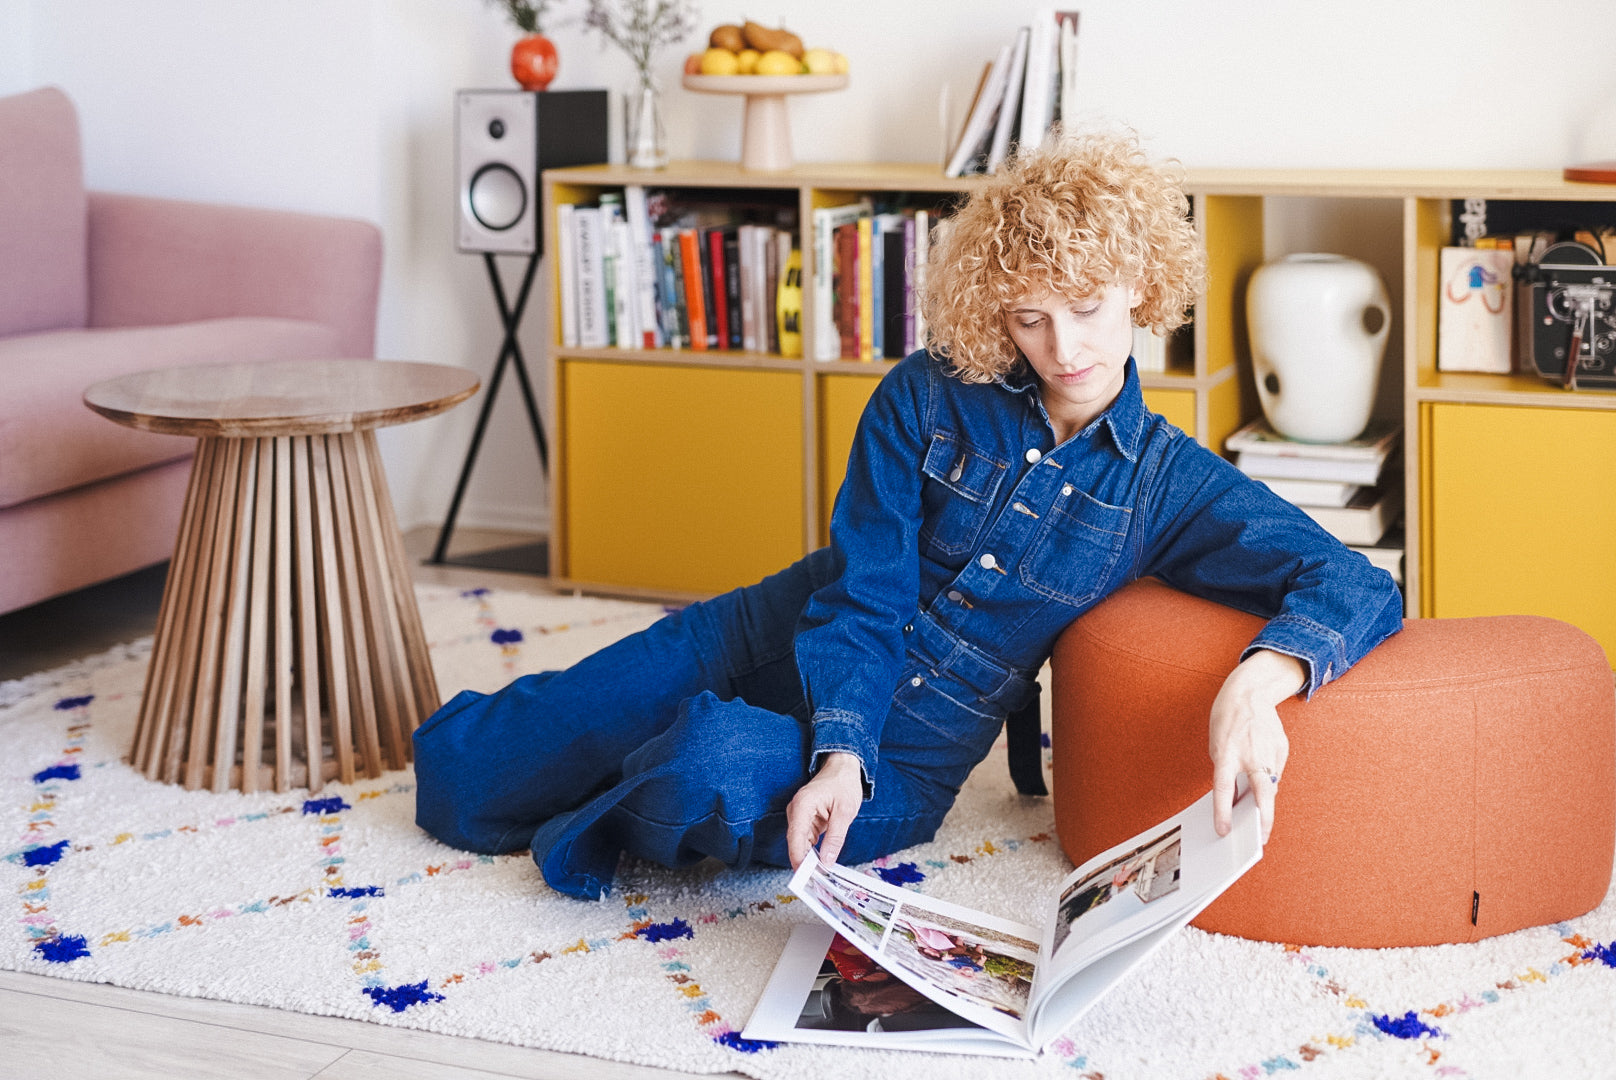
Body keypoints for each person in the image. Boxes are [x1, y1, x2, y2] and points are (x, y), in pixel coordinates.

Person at [412, 129, 1404, 901]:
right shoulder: (924, 395)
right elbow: (864, 590)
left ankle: (629, 784)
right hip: (760, 643)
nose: (1063, 347)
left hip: (909, 765)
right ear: (995, 312)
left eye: (1089, 307)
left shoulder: (1168, 482)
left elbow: (1352, 579)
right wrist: (835, 744)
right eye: (1029, 317)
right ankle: (597, 758)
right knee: (458, 787)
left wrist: (1251, 687)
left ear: (1139, 287)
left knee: (705, 766)